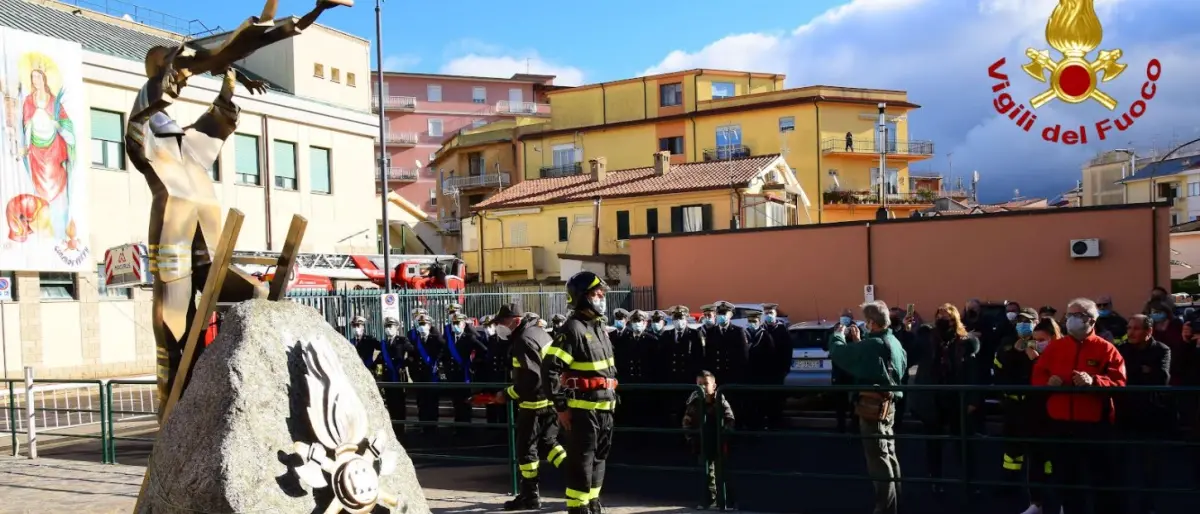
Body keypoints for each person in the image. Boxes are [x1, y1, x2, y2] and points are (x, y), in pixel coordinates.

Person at [1032, 298, 1126, 514]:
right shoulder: (1056, 347)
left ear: (1091, 320)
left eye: (1077, 315)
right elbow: (1038, 374)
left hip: (1092, 424)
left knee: (1099, 477)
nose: (1071, 319)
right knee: (1063, 477)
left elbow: (1119, 383)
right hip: (1059, 423)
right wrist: (1047, 383)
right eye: (1069, 315)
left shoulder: (1107, 349)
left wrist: (1094, 381)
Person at [542, 271, 618, 514]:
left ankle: (593, 504)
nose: (601, 299)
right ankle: (578, 508)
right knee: (581, 464)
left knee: (599, 460)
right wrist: (561, 408)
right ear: (583, 297)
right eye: (597, 294)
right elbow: (550, 369)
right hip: (584, 412)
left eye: (602, 294)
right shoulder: (572, 329)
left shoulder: (598, 327)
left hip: (605, 408)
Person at [828, 300, 906, 514]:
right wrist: (860, 341)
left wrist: (837, 335)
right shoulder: (893, 341)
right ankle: (896, 501)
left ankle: (886, 508)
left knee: (878, 461)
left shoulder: (874, 345)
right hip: (889, 406)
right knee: (889, 454)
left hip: (873, 408)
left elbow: (841, 354)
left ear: (872, 322)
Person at [491, 304, 566, 511]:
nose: (499, 326)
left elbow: (530, 381)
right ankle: (575, 475)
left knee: (526, 452)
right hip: (551, 402)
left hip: (534, 405)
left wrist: (505, 395)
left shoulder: (523, 340)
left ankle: (530, 496)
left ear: (515, 320)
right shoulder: (539, 333)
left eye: (502, 322)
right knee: (548, 444)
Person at [909, 303, 981, 496]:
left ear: (954, 319)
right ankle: (936, 480)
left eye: (946, 317)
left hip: (958, 399)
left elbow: (974, 373)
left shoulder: (965, 342)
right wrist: (907, 331)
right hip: (933, 400)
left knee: (964, 444)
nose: (942, 319)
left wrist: (973, 400)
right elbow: (910, 354)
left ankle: (970, 481)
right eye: (939, 315)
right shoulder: (926, 339)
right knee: (933, 444)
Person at [1115, 314, 1170, 514]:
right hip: (1124, 416)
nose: (1130, 332)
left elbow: (1161, 378)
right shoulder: (1121, 350)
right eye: (1129, 328)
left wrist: (1136, 372)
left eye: (1136, 328)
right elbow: (1118, 377)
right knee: (1124, 465)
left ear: (1149, 331)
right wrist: (1143, 370)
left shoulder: (1162, 350)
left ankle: (1148, 507)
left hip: (1150, 416)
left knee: (1149, 466)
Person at [993, 308, 1044, 506]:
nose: (1023, 324)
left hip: (1035, 404)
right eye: (1020, 320)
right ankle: (1010, 482)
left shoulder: (1041, 342)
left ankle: (1037, 491)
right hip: (1013, 404)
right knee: (1011, 447)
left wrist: (1033, 354)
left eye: (1028, 321)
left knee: (1036, 448)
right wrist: (1014, 351)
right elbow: (998, 369)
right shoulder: (1007, 343)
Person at [683, 370, 736, 510]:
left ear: (714, 386)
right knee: (707, 473)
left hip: (718, 439)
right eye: (699, 384)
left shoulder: (720, 399)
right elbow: (687, 422)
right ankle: (708, 500)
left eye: (706, 384)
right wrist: (691, 439)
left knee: (722, 471)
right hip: (702, 440)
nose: (702, 387)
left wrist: (726, 434)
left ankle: (725, 501)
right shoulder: (694, 401)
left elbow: (730, 418)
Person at [704, 301, 749, 428]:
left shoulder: (738, 331)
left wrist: (740, 377)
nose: (721, 316)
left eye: (724, 313)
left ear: (730, 315)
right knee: (716, 409)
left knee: (733, 408)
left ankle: (733, 433)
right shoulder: (712, 332)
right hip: (717, 377)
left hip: (732, 377)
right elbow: (708, 355)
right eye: (719, 313)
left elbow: (743, 357)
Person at [663, 305, 704, 426]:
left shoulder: (695, 334)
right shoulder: (667, 335)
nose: (678, 321)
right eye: (675, 318)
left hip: (688, 380)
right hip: (672, 380)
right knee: (673, 411)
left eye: (681, 318)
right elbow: (663, 358)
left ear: (686, 319)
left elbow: (699, 357)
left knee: (688, 411)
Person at [444, 311, 486, 429]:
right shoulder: (450, 339)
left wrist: (474, 363)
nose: (456, 325)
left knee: (465, 401)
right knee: (456, 402)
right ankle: (458, 426)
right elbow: (445, 353)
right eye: (454, 323)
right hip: (453, 374)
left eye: (458, 323)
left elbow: (483, 350)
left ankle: (466, 426)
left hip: (464, 374)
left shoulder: (469, 338)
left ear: (463, 324)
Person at [614, 310, 655, 426]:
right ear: (630, 323)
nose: (637, 324)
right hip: (629, 384)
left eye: (640, 321)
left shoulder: (651, 340)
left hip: (646, 385)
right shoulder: (623, 341)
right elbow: (621, 362)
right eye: (635, 321)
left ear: (645, 323)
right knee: (628, 416)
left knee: (645, 417)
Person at [407, 312, 445, 435]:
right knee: (421, 401)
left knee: (432, 402)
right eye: (420, 324)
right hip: (420, 375)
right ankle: (423, 425)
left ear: (429, 326)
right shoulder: (416, 340)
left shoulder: (436, 338)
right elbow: (411, 355)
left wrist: (438, 362)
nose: (422, 326)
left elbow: (444, 350)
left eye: (425, 324)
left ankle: (433, 426)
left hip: (431, 374)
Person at [743, 310, 775, 431]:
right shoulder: (744, 334)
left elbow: (771, 355)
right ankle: (750, 425)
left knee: (760, 402)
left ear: (759, 322)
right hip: (748, 375)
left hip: (761, 374)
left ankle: (760, 425)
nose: (752, 323)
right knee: (748, 402)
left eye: (754, 321)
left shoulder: (765, 335)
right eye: (750, 321)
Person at [762, 303, 792, 428]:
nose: (769, 316)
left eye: (771, 313)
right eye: (766, 313)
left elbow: (788, 351)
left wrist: (785, 369)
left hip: (778, 370)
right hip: (764, 371)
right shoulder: (761, 330)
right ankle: (767, 421)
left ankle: (777, 422)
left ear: (775, 315)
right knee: (765, 398)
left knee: (777, 398)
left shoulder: (782, 330)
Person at [377, 317, 410, 429]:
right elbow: (380, 360)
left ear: (397, 328)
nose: (388, 329)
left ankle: (401, 427)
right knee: (390, 402)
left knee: (399, 402)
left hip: (398, 376)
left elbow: (412, 353)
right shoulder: (384, 343)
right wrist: (378, 373)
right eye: (386, 327)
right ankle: (393, 426)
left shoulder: (402, 340)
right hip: (388, 376)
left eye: (390, 326)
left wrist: (403, 364)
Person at [478, 314, 511, 427]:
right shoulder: (488, 340)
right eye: (485, 326)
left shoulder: (504, 339)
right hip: (490, 377)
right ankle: (491, 426)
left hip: (501, 378)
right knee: (490, 405)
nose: (488, 328)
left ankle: (502, 427)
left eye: (490, 325)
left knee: (502, 407)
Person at [832, 308, 859, 433]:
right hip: (838, 371)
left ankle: (854, 425)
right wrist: (836, 333)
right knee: (839, 401)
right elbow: (829, 345)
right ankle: (840, 425)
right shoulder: (835, 328)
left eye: (847, 316)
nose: (844, 319)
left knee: (854, 400)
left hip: (852, 372)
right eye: (843, 316)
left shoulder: (856, 329)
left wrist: (853, 336)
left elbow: (860, 346)